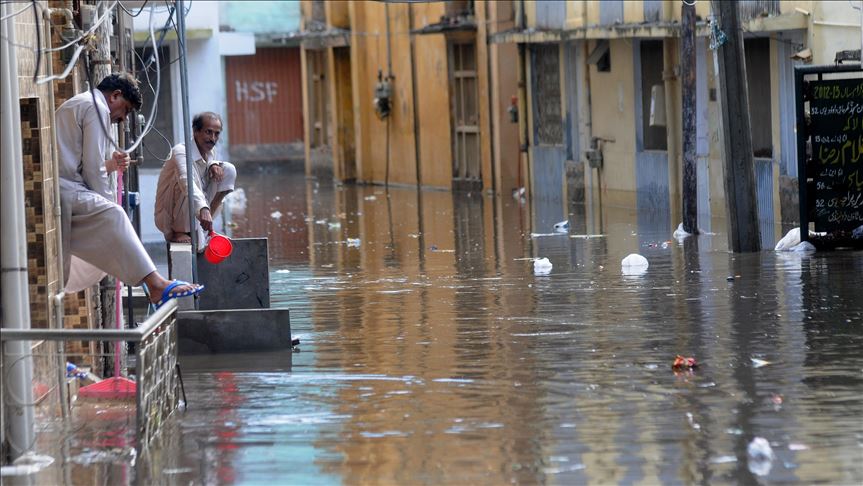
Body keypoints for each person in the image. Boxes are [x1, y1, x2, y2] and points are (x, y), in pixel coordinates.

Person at [56, 72, 203, 307]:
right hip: (64, 190)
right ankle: (156, 284)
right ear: (115, 96)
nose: (122, 119)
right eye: (124, 110)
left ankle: (153, 282)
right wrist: (110, 207)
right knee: (114, 216)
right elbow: (93, 170)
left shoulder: (82, 103)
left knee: (112, 226)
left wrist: (111, 166)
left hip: (65, 187)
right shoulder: (97, 108)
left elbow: (84, 165)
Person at [154, 112, 236, 251]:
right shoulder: (180, 151)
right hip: (169, 218)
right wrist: (203, 208)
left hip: (197, 214)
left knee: (228, 169)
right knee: (190, 183)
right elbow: (186, 181)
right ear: (195, 131)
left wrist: (212, 164)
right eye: (208, 132)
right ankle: (179, 230)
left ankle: (205, 228)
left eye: (217, 134)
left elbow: (210, 160)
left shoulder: (211, 153)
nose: (213, 138)